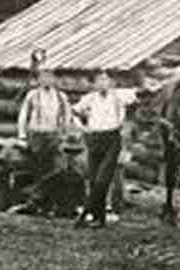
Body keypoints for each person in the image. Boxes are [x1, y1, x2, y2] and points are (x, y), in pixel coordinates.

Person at [12, 54, 73, 216]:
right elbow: (23, 116)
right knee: (40, 170)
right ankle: (44, 207)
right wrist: (22, 135)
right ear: (38, 79)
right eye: (43, 77)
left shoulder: (61, 97)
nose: (46, 80)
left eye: (50, 77)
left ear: (54, 79)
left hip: (54, 136)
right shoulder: (32, 95)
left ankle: (35, 200)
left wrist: (64, 133)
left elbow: (67, 115)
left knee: (58, 168)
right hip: (36, 136)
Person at [73, 69, 127, 228]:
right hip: (94, 139)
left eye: (106, 80)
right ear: (94, 83)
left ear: (111, 82)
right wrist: (83, 128)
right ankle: (99, 217)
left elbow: (137, 97)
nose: (103, 83)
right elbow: (74, 111)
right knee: (93, 178)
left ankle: (85, 213)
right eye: (99, 80)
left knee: (103, 180)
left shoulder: (118, 97)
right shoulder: (89, 99)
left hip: (112, 138)